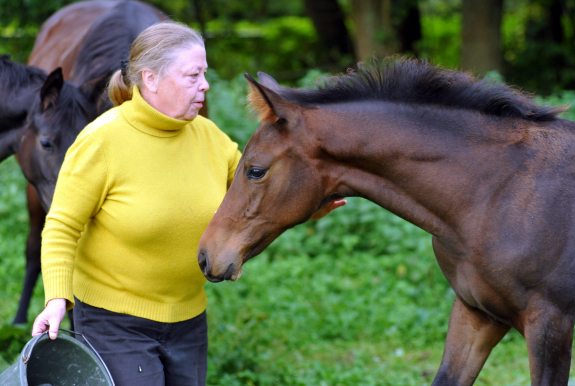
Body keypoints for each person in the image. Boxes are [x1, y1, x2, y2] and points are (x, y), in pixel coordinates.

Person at [31, 21, 344, 386]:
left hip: (188, 320)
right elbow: (61, 227)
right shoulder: (101, 141)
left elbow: (255, 196)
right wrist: (56, 299)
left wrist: (306, 206)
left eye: (205, 74)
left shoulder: (209, 136)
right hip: (112, 322)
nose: (206, 86)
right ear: (150, 79)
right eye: (193, 75)